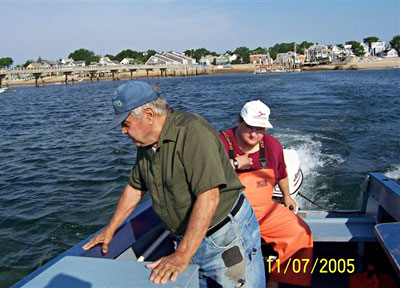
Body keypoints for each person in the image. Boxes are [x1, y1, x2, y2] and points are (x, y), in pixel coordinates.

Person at [82, 81, 265, 287]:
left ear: (149, 115)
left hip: (225, 238)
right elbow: (136, 186)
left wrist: (182, 255)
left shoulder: (193, 132)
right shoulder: (146, 143)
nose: (123, 132)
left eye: (126, 124)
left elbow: (209, 196)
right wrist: (111, 228)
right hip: (189, 237)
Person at [219, 100, 313, 287]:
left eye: (260, 129)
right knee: (230, 253)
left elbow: (281, 174)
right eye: (250, 127)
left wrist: (287, 196)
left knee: (301, 233)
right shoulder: (219, 141)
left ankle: (277, 280)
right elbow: (204, 173)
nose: (254, 134)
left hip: (262, 210)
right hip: (226, 213)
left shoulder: (272, 145)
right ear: (239, 121)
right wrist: (235, 164)